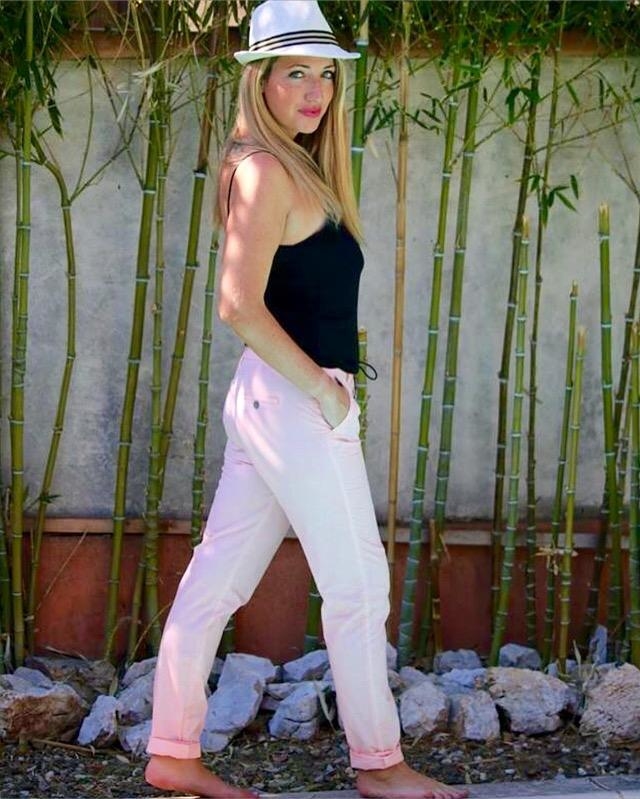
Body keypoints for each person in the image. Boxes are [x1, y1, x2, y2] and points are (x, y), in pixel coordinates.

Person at [145, 2, 470, 798]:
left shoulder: (290, 166)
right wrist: (323, 390)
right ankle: (380, 764)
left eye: (325, 73)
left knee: (216, 582)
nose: (316, 89)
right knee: (358, 586)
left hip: (275, 402)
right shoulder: (264, 169)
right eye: (296, 72)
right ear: (259, 79)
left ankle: (172, 751)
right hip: (293, 401)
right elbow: (237, 304)